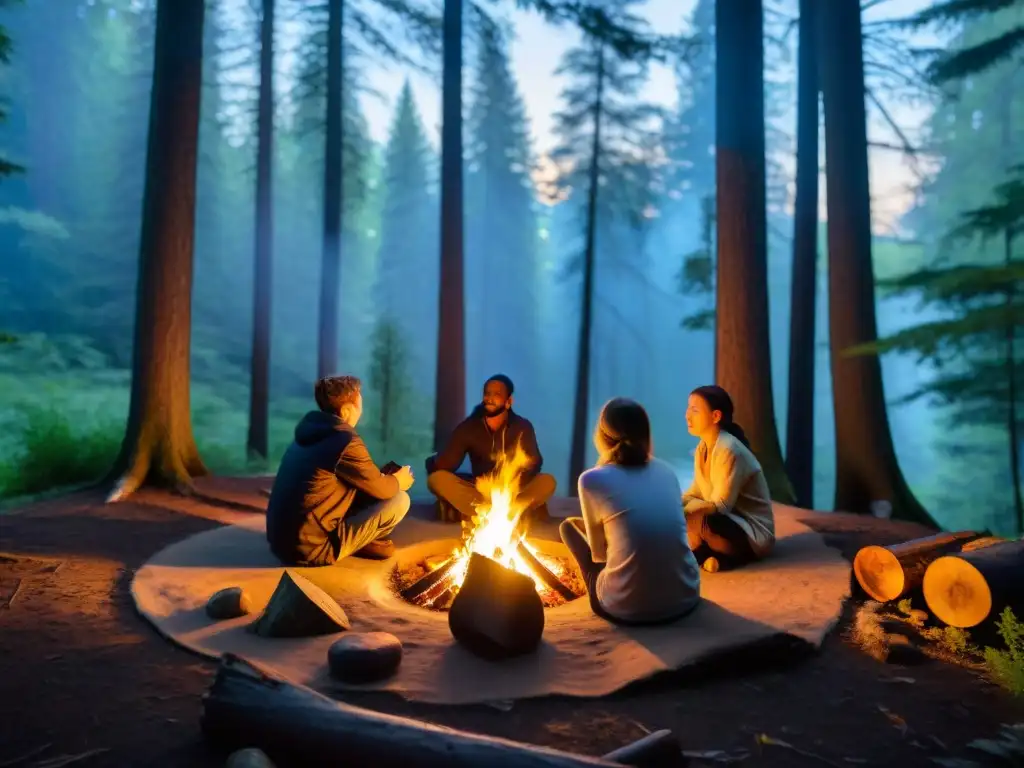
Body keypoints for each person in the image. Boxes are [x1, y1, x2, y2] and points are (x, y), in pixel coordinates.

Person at [559, 398, 701, 625]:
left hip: (626, 609)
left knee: (567, 527)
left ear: (602, 436)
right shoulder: (666, 472)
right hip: (686, 596)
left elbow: (599, 555)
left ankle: (610, 592)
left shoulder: (591, 479)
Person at [266, 375, 414, 567]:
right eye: (359, 405)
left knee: (370, 490)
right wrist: (398, 481)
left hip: (282, 544)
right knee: (399, 499)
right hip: (311, 550)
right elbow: (383, 490)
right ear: (346, 410)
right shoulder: (345, 441)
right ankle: (354, 543)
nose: (361, 410)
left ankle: (359, 541)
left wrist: (382, 480)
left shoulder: (311, 432)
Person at [425, 374, 556, 524]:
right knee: (437, 479)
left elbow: (534, 463)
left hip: (513, 492)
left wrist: (510, 483)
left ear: (508, 402)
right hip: (479, 492)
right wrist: (433, 463)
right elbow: (448, 462)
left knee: (547, 481)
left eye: (497, 394)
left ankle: (503, 511)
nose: (489, 398)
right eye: (487, 393)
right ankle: (501, 513)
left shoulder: (522, 427)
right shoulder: (470, 427)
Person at [683, 384, 775, 573]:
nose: (687, 415)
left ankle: (721, 558)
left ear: (715, 416)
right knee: (686, 517)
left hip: (751, 533)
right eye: (688, 408)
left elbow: (722, 505)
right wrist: (672, 505)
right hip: (728, 524)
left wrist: (686, 512)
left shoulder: (729, 449)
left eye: (695, 410)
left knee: (704, 521)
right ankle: (712, 558)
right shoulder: (703, 448)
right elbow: (696, 491)